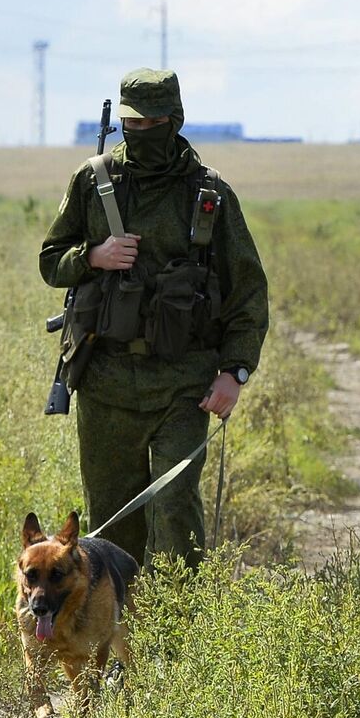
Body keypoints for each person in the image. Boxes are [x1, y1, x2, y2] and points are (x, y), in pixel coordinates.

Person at [39, 68, 270, 569]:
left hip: (184, 384)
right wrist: (93, 256)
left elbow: (247, 291)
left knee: (175, 515)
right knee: (112, 527)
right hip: (106, 382)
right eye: (132, 124)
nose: (141, 133)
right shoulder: (93, 180)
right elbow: (50, 261)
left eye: (153, 122)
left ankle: (180, 635)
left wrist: (235, 371)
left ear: (175, 119)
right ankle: (121, 634)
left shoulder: (209, 195)